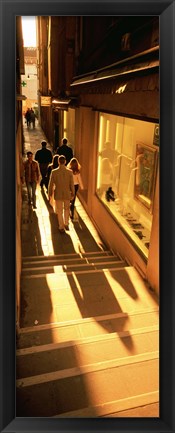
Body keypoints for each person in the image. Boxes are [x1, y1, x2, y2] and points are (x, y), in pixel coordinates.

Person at [48, 155, 75, 233]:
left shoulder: (54, 172)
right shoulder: (70, 172)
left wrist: (49, 194)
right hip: (67, 193)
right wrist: (73, 193)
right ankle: (66, 223)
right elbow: (71, 184)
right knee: (67, 209)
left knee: (59, 211)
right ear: (65, 161)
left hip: (58, 194)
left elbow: (51, 184)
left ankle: (61, 226)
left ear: (58, 162)